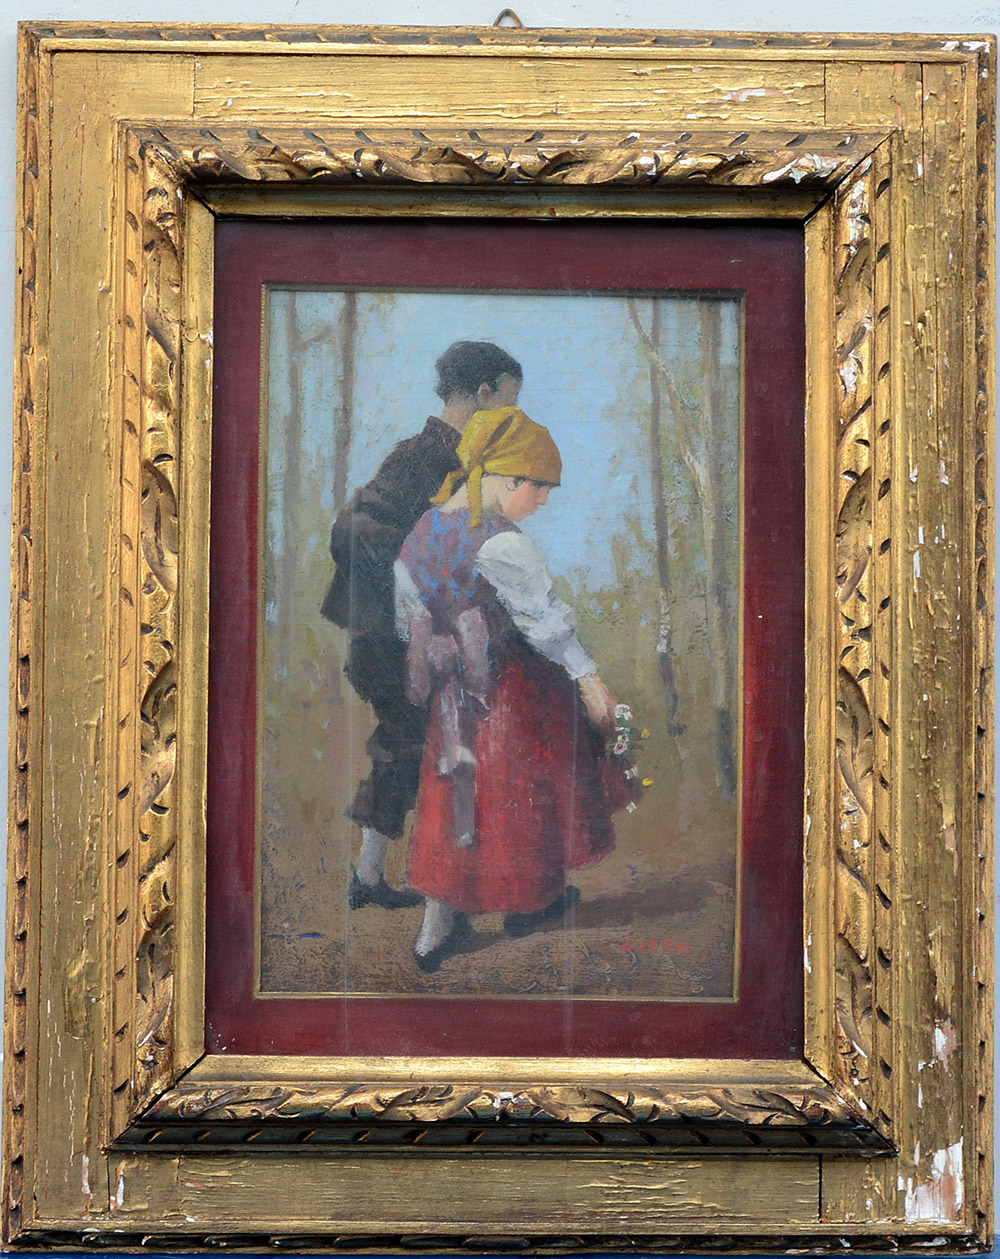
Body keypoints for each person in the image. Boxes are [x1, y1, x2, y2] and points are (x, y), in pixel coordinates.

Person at [395, 406, 631, 972]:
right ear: (504, 478)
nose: (543, 501)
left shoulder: (421, 532)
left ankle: (445, 924)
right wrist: (590, 681)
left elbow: (409, 618)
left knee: (458, 797)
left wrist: (448, 652)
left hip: (455, 694)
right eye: (539, 487)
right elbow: (547, 624)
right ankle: (522, 904)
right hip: (515, 695)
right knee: (520, 794)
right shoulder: (504, 543)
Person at [321, 341, 523, 909]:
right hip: (390, 638)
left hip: (430, 633)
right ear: (482, 392)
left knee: (412, 747)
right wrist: (420, 554)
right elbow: (350, 531)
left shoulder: (469, 460)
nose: (512, 415)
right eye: (508, 401)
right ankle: (440, 892)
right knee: (418, 746)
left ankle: (372, 879)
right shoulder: (422, 455)